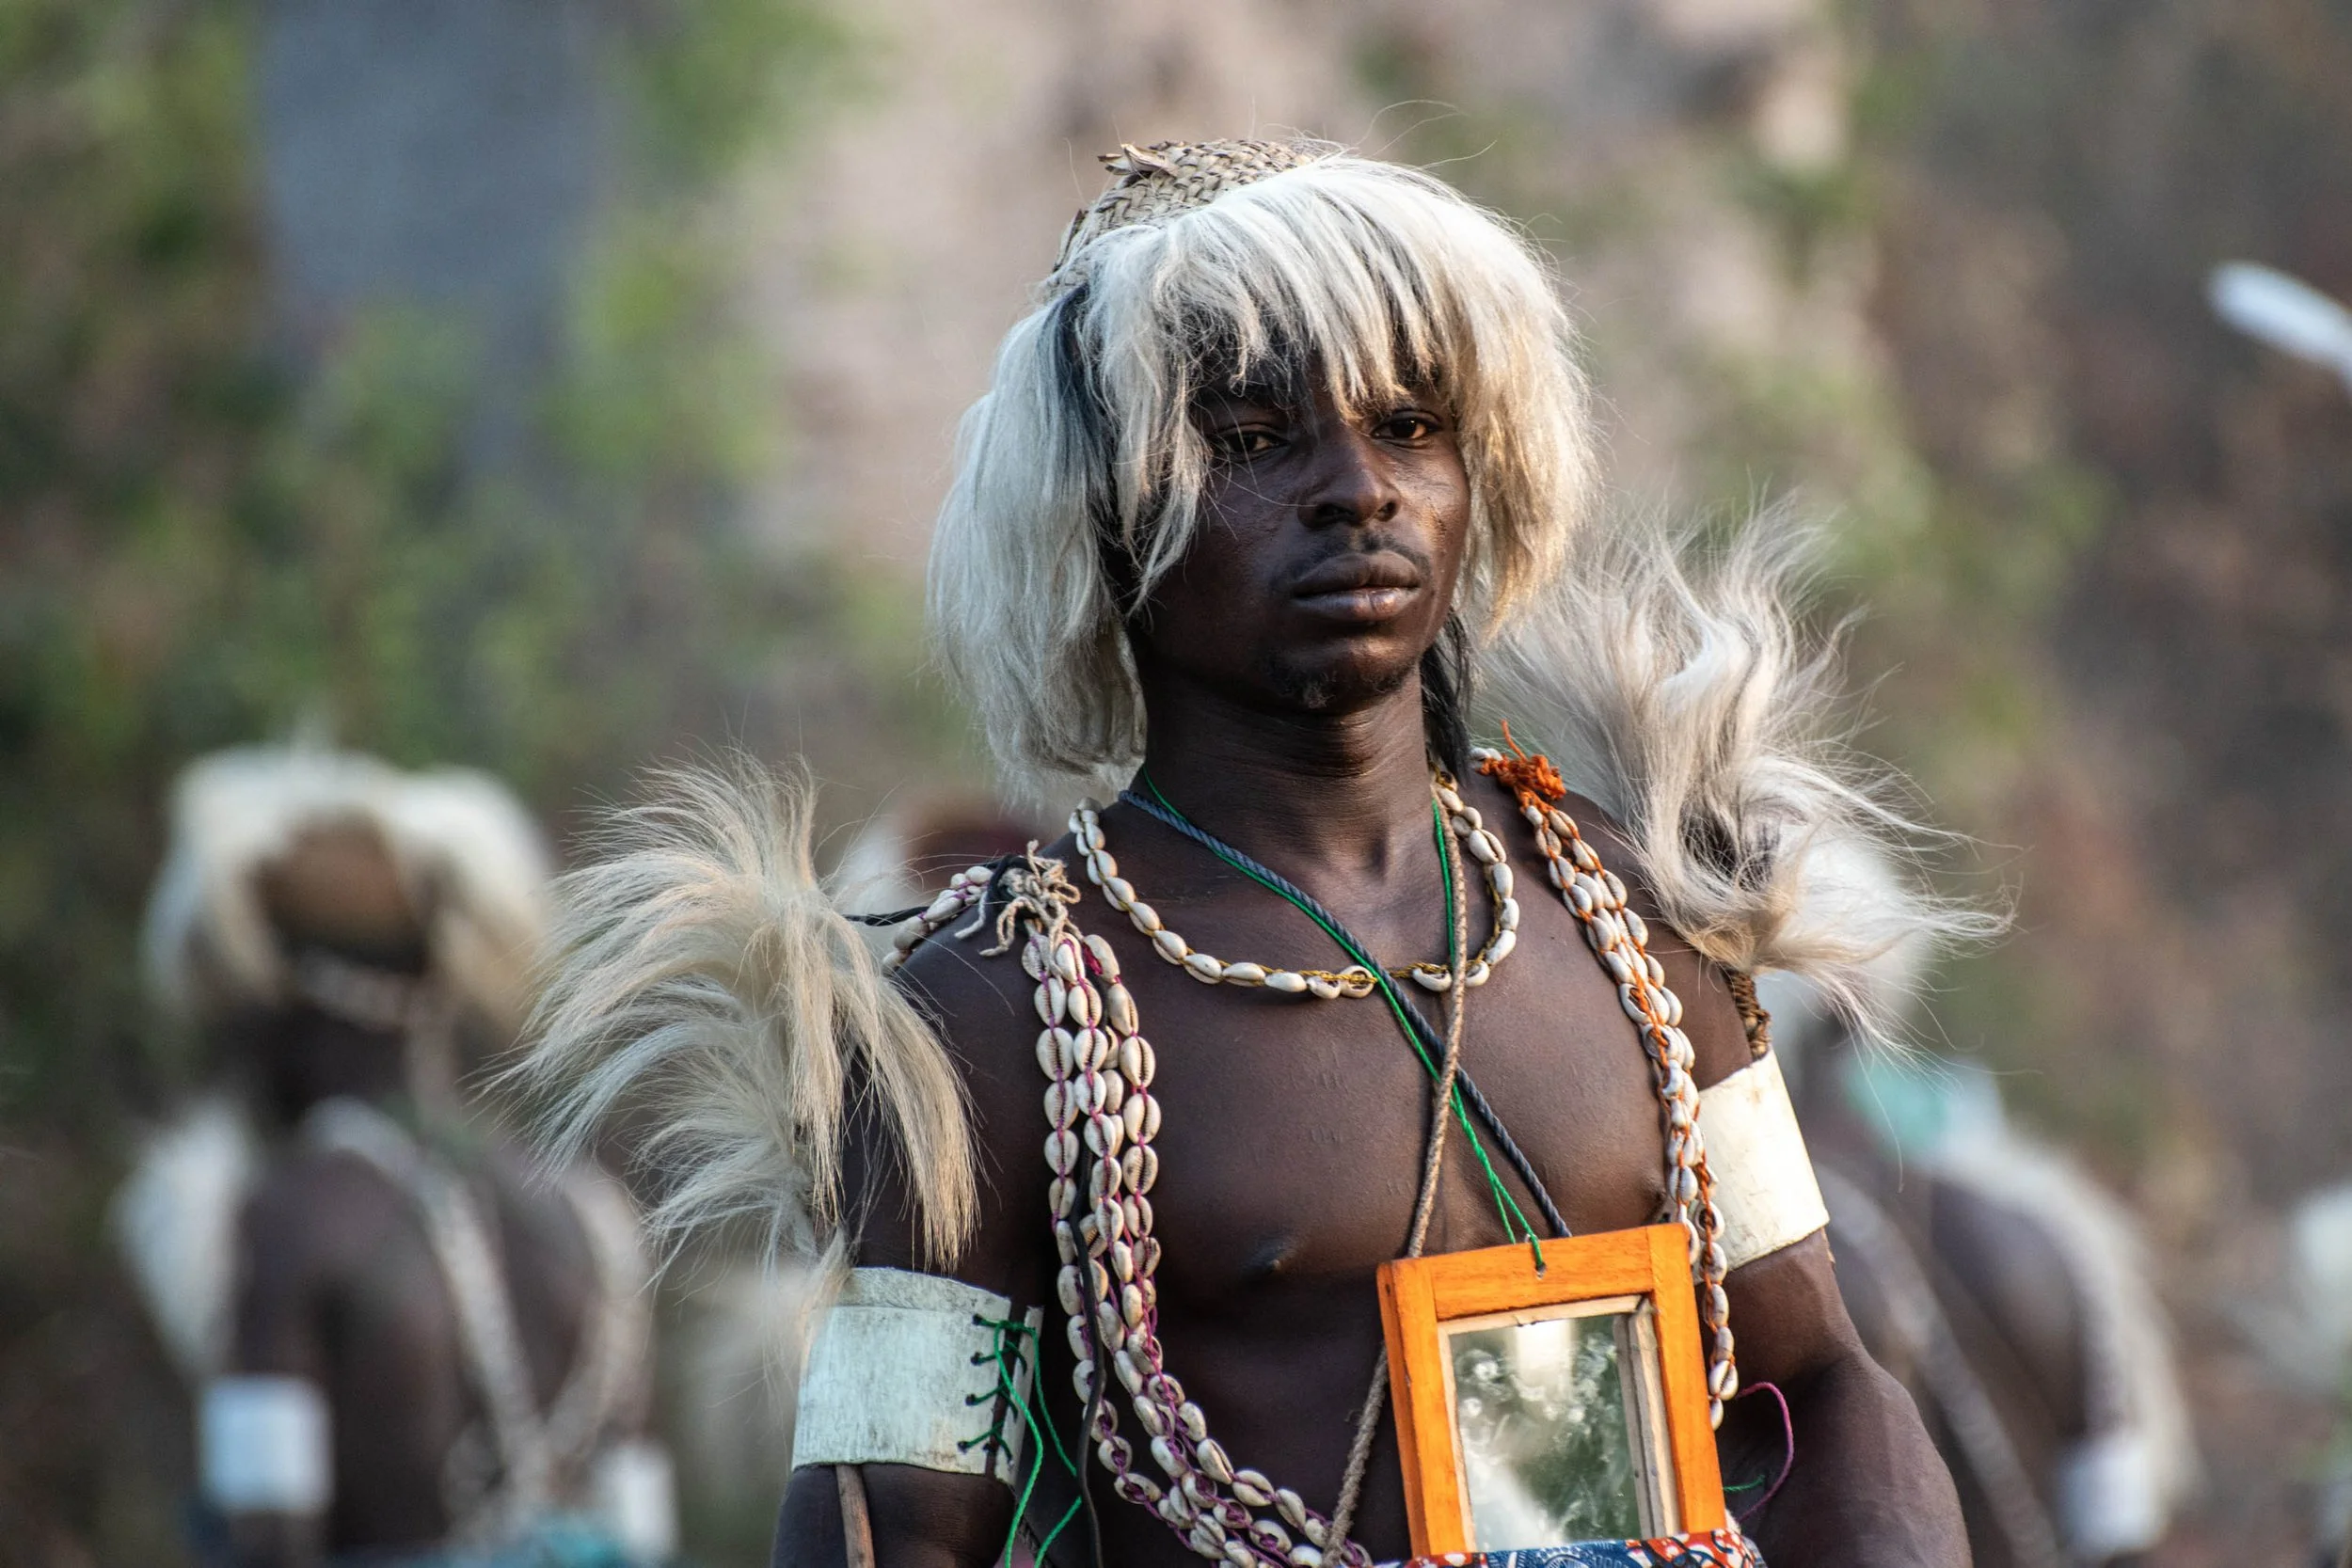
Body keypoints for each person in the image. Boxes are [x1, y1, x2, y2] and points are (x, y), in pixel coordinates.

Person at [526, 138, 1991, 1568]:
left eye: (1409, 424)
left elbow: (1823, 1377)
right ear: (1113, 515)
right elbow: (890, 1523)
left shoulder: (1639, 917)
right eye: (1249, 438)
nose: (1360, 488)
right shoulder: (989, 1020)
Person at [119, 746, 675, 1566]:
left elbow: (267, 1538)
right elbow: (644, 1527)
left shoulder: (291, 1220)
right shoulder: (589, 1211)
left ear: (284, 1006)